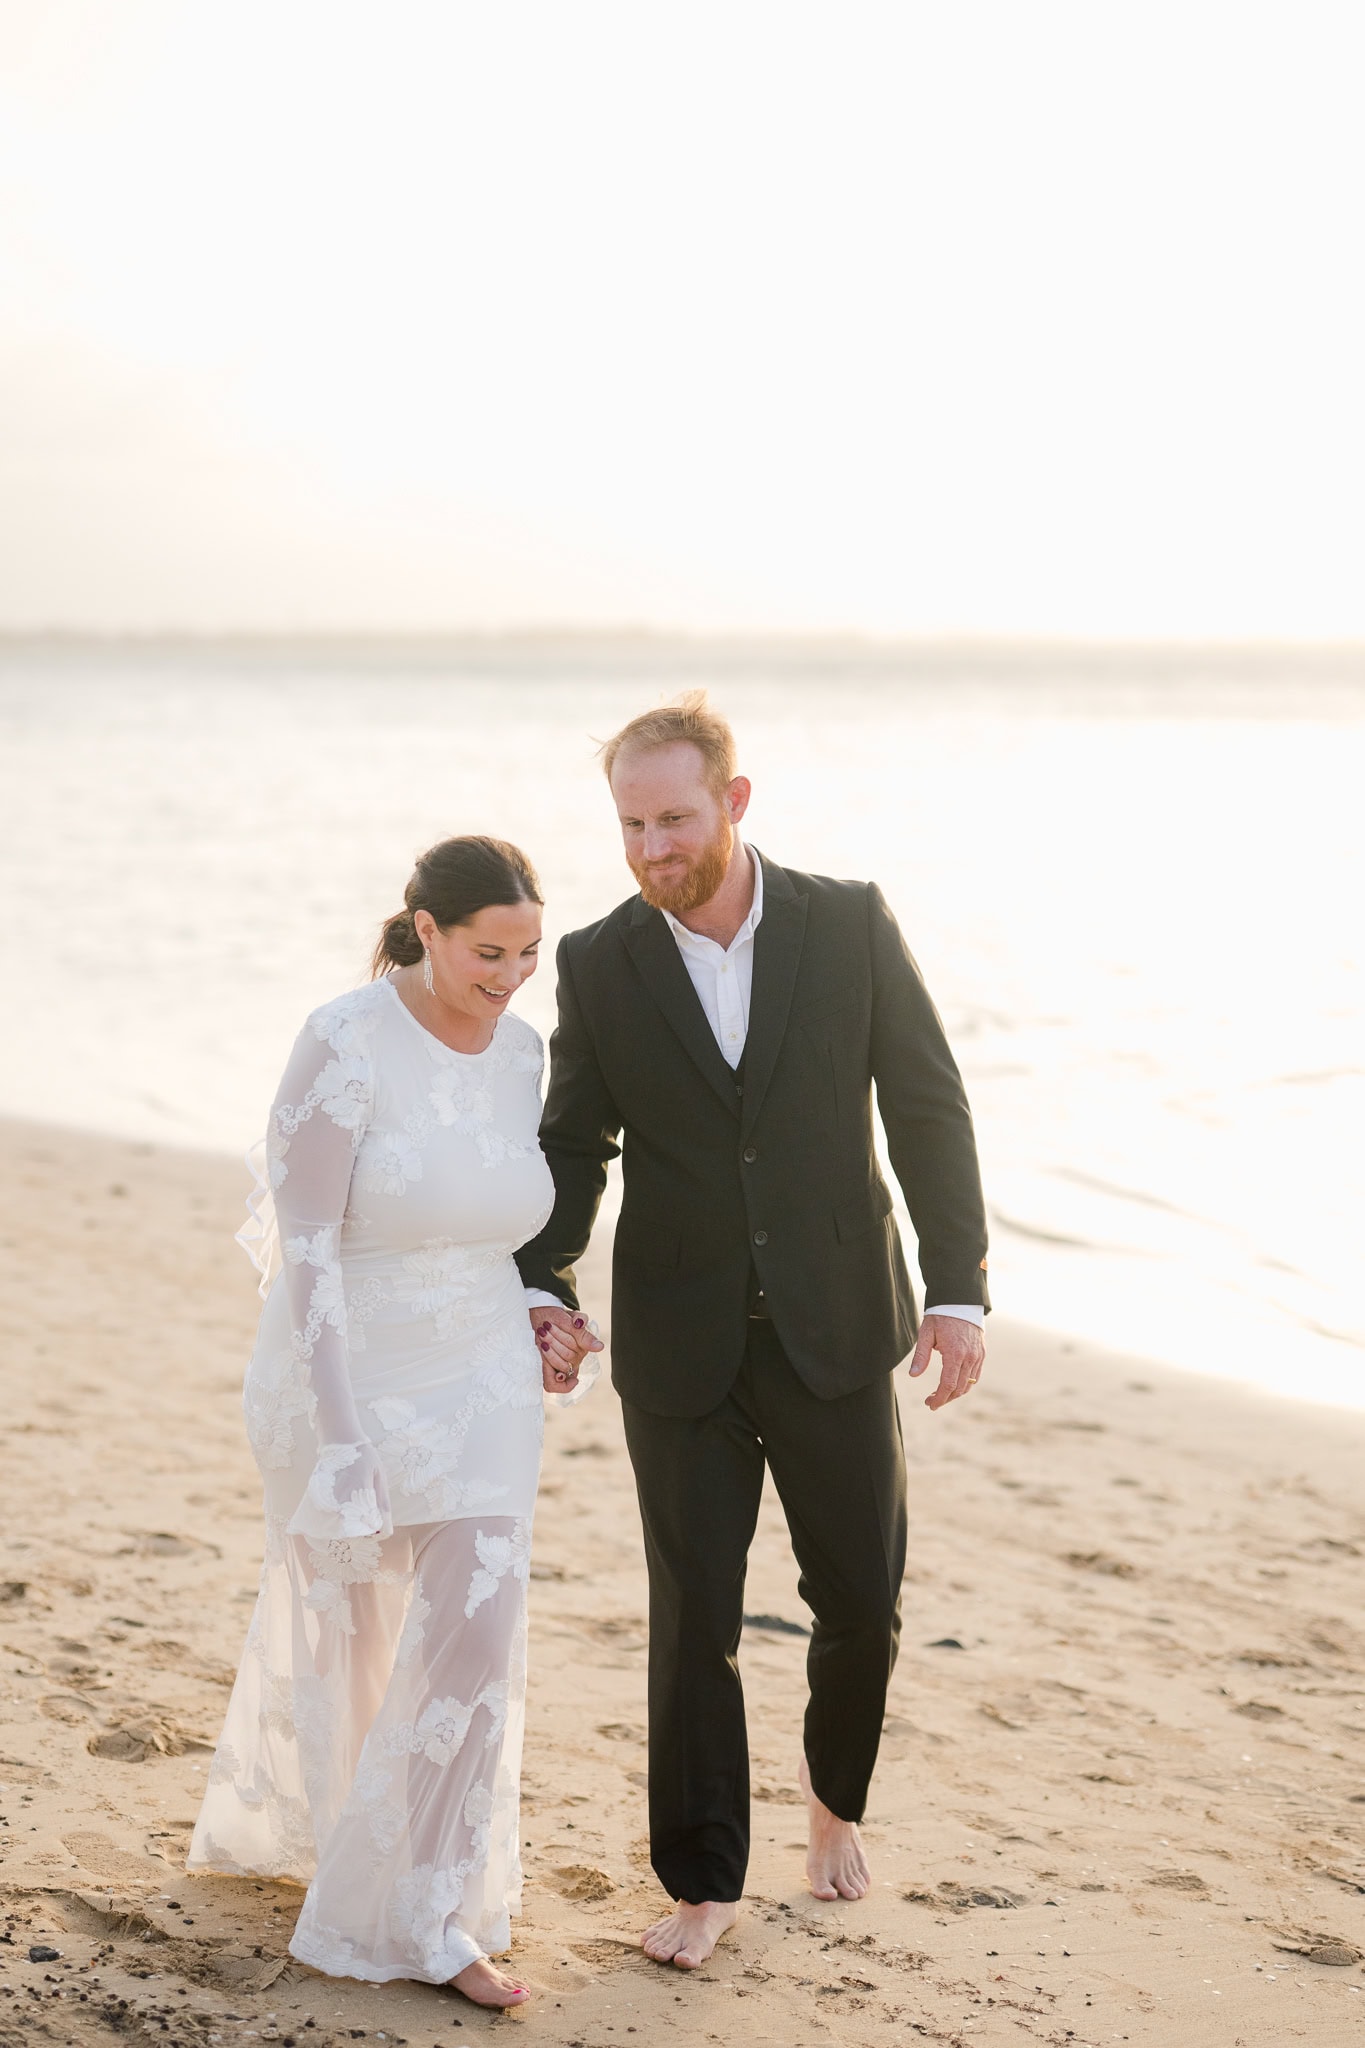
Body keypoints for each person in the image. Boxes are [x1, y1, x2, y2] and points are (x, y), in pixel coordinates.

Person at [515, 694, 989, 1970]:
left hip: (837, 1320)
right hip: (680, 1339)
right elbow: (574, 1140)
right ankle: (702, 1877)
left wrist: (958, 1287)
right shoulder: (601, 960)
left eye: (674, 818)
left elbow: (928, 1105)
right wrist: (542, 1279)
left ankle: (834, 1799)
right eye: (630, 825)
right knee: (693, 1619)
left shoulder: (848, 921)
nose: (652, 848)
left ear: (733, 800)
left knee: (862, 1600)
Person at [189, 835, 601, 2008]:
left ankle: (427, 1910)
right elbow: (309, 1250)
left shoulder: (522, 1052)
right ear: (425, 929)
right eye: (488, 952)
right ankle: (357, 1856)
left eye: (529, 953)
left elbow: (493, 1222)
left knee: (478, 1620)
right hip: (344, 1374)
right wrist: (341, 1435)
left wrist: (541, 1308)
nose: (511, 977)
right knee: (357, 1639)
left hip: (482, 1374)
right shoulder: (344, 1038)